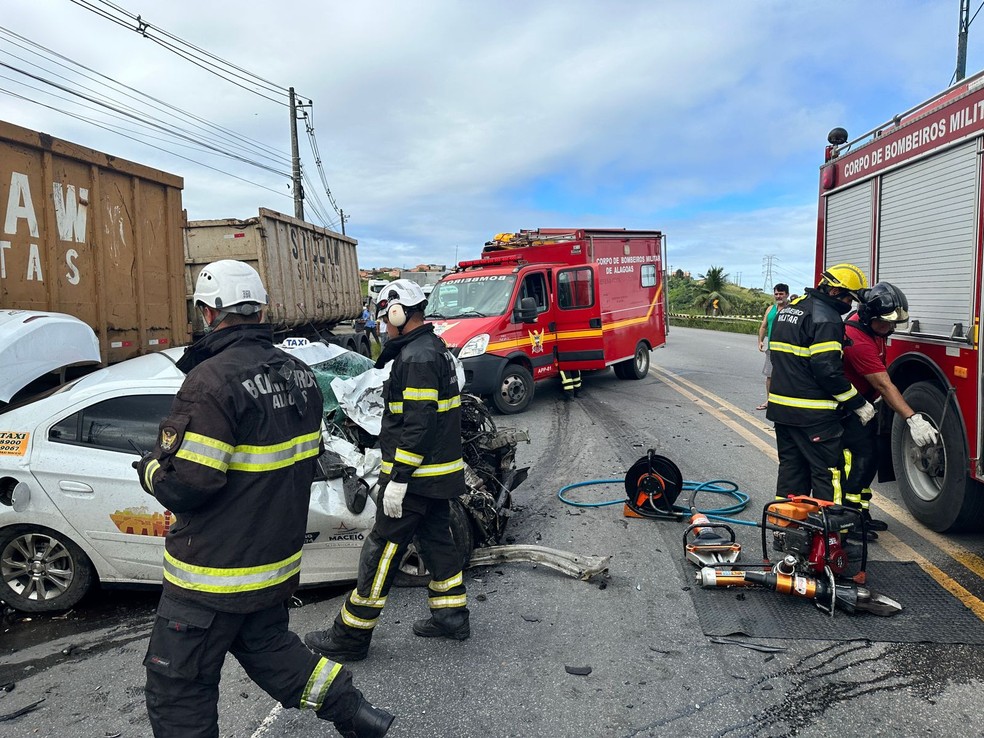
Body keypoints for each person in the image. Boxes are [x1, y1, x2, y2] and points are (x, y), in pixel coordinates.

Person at [136, 260, 393, 738]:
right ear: (259, 310)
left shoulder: (210, 382)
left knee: (177, 685)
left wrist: (150, 470)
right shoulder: (298, 376)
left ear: (209, 312)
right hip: (272, 564)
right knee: (273, 652)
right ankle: (356, 713)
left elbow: (188, 485)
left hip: (210, 575)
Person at [305, 278, 469, 661]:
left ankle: (351, 635)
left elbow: (417, 424)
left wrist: (398, 480)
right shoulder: (432, 349)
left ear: (398, 312)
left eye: (385, 315)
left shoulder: (417, 358)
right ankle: (452, 616)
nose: (382, 323)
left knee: (381, 551)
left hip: (416, 479)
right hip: (437, 476)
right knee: (437, 540)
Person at [766, 263, 874, 502]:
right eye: (849, 299)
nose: (850, 306)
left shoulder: (790, 309)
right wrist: (858, 403)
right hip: (815, 417)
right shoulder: (827, 319)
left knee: (791, 473)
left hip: (782, 411)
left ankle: (788, 530)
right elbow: (827, 370)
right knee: (828, 474)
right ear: (835, 292)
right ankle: (832, 533)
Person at [840, 282, 938, 534]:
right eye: (885, 323)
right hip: (849, 409)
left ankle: (861, 513)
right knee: (857, 462)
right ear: (868, 318)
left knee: (870, 457)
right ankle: (848, 521)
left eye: (895, 323)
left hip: (864, 404)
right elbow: (884, 385)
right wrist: (912, 418)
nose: (891, 328)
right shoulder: (858, 341)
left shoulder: (872, 327)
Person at [756, 283, 790, 410]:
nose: (778, 296)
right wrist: (760, 341)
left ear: (787, 294)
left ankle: (785, 402)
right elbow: (763, 326)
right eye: (776, 294)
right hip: (771, 347)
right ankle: (769, 400)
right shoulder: (770, 309)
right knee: (769, 376)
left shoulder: (791, 309)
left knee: (786, 376)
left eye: (781, 294)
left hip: (786, 349)